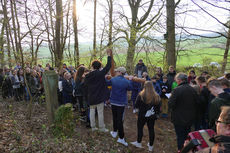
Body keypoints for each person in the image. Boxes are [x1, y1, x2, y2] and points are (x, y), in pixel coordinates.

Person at [169, 73, 199, 152]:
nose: (176, 81)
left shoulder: (177, 90)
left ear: (179, 80)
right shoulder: (193, 89)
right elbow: (197, 103)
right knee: (187, 136)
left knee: (180, 137)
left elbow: (171, 104)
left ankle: (180, 150)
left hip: (179, 118)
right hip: (190, 118)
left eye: (176, 80)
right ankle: (187, 150)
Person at [84, 49, 112, 132]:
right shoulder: (101, 73)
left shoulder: (87, 75)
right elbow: (108, 66)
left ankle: (93, 127)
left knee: (92, 111)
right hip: (99, 96)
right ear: (100, 67)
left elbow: (85, 86)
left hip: (91, 96)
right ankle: (102, 128)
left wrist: (87, 96)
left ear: (92, 66)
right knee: (100, 112)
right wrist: (109, 56)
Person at [131, 81, 160, 152]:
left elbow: (136, 105)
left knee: (140, 128)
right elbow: (158, 108)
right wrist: (156, 114)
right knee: (151, 129)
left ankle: (139, 142)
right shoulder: (156, 96)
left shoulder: (141, 94)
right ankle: (151, 146)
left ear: (144, 86)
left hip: (142, 115)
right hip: (152, 116)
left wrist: (136, 110)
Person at [108, 67, 133, 146]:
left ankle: (115, 132)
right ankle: (121, 138)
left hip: (113, 102)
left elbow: (107, 83)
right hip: (121, 103)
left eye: (117, 71)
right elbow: (130, 88)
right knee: (119, 120)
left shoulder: (113, 79)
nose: (115, 73)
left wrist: (105, 77)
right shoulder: (126, 81)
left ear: (120, 72)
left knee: (115, 117)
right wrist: (130, 80)